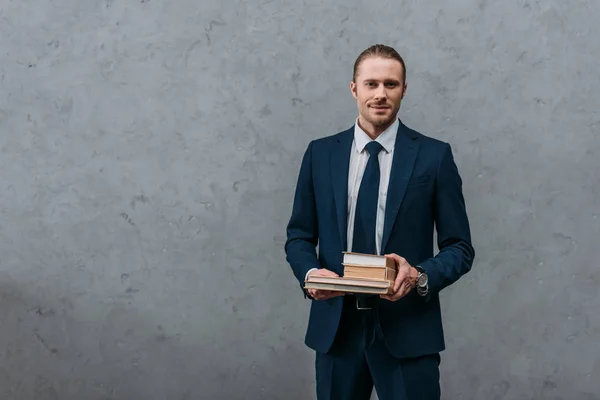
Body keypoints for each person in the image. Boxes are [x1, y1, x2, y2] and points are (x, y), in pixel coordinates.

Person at [284, 44, 475, 400]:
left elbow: (460, 247)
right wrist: (310, 275)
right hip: (337, 329)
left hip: (408, 327)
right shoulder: (320, 154)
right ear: (354, 88)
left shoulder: (434, 157)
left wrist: (420, 276)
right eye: (371, 84)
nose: (380, 94)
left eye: (391, 84)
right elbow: (298, 236)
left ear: (404, 89)